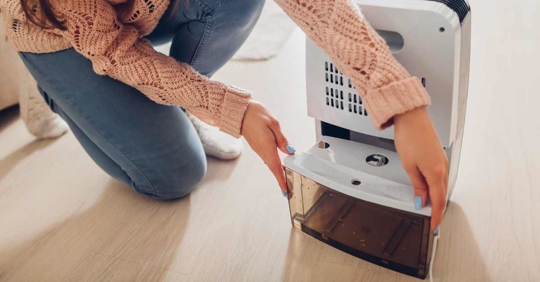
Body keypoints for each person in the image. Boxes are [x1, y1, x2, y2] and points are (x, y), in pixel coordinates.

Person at [0, 0, 448, 230]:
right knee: (175, 176)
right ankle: (55, 89)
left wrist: (395, 97)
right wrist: (232, 108)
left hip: (145, 13)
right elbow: (118, 53)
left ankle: (177, 99)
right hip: (59, 30)